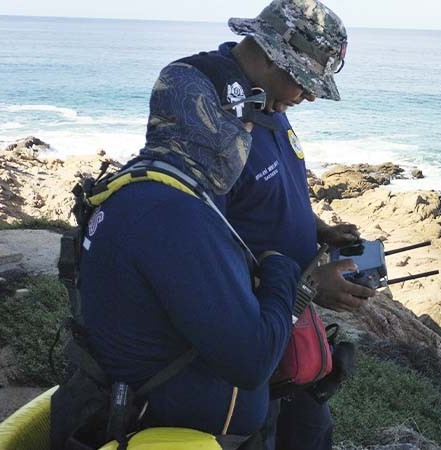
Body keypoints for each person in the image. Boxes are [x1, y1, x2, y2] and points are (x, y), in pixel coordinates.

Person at [74, 31, 302, 447]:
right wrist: (281, 271)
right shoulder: (173, 215)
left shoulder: (144, 186)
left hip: (157, 411)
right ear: (211, 128)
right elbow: (252, 362)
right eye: (241, 124)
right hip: (177, 434)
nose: (246, 136)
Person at [217, 1, 377, 449]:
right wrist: (306, 287)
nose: (309, 96)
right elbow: (203, 253)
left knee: (310, 431)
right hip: (248, 330)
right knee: (258, 434)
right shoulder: (216, 122)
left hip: (289, 319)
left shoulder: (268, 102)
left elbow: (266, 195)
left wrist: (319, 230)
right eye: (305, 80)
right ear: (271, 54)